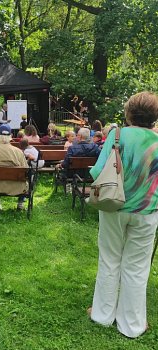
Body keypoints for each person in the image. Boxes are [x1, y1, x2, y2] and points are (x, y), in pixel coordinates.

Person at [88, 91, 158, 338]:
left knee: (109, 259)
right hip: (147, 211)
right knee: (137, 267)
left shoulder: (117, 135)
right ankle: (132, 325)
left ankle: (102, 315)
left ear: (128, 113)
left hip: (114, 206)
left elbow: (97, 171)